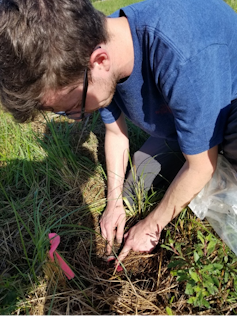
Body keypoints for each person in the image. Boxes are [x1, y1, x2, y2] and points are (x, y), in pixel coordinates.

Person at [0, 0, 237, 265]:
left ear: (99, 62)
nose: (76, 119)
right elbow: (115, 133)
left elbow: (201, 166)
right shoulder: (97, 43)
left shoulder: (182, 52)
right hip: (183, 123)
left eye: (71, 108)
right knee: (136, 183)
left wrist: (151, 224)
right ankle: (191, 142)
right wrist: (114, 203)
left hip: (229, 113)